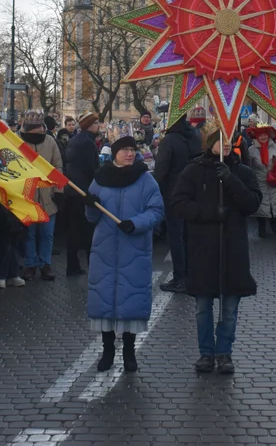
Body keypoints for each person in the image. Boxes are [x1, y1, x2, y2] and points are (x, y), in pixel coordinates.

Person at [170, 119, 261, 374]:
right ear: (212, 144)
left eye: (231, 140)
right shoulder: (193, 170)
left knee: (229, 308)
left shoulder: (243, 172)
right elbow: (178, 204)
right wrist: (210, 212)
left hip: (233, 249)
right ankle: (206, 353)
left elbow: (252, 204)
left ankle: (224, 353)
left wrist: (231, 180)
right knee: (202, 308)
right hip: (203, 248)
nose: (227, 145)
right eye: (222, 140)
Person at [85, 133, 164, 373]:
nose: (129, 153)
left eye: (132, 149)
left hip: (134, 250)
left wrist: (136, 223)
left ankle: (129, 352)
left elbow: (157, 211)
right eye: (124, 150)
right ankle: (107, 350)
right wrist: (89, 205)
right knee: (104, 301)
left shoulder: (145, 180)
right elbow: (91, 218)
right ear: (115, 152)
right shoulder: (99, 180)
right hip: (104, 251)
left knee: (131, 302)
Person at [153, 113, 202, 293]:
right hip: (193, 191)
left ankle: (180, 277)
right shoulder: (195, 135)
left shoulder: (170, 140)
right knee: (189, 235)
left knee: (175, 236)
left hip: (173, 193)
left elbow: (161, 170)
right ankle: (192, 275)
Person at [20, 110, 63, 283]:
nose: (37, 130)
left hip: (48, 196)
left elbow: (57, 166)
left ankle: (45, 264)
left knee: (47, 234)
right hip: (27, 196)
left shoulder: (50, 141)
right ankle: (30, 263)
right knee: (29, 234)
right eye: (34, 127)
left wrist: (59, 191)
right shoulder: (18, 143)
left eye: (39, 127)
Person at [64, 113, 100, 277]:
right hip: (84, 190)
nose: (98, 125)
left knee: (72, 230)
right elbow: (91, 168)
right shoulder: (88, 142)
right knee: (87, 231)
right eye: (96, 122)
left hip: (72, 189)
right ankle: (92, 265)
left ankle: (72, 266)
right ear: (89, 125)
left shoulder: (74, 140)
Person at [247, 125, 276, 237]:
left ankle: (275, 225)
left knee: (275, 203)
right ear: (257, 137)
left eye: (265, 135)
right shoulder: (251, 150)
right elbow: (248, 166)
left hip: (274, 180)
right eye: (261, 135)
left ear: (268, 136)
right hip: (259, 180)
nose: (263, 137)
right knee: (261, 204)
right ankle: (261, 228)